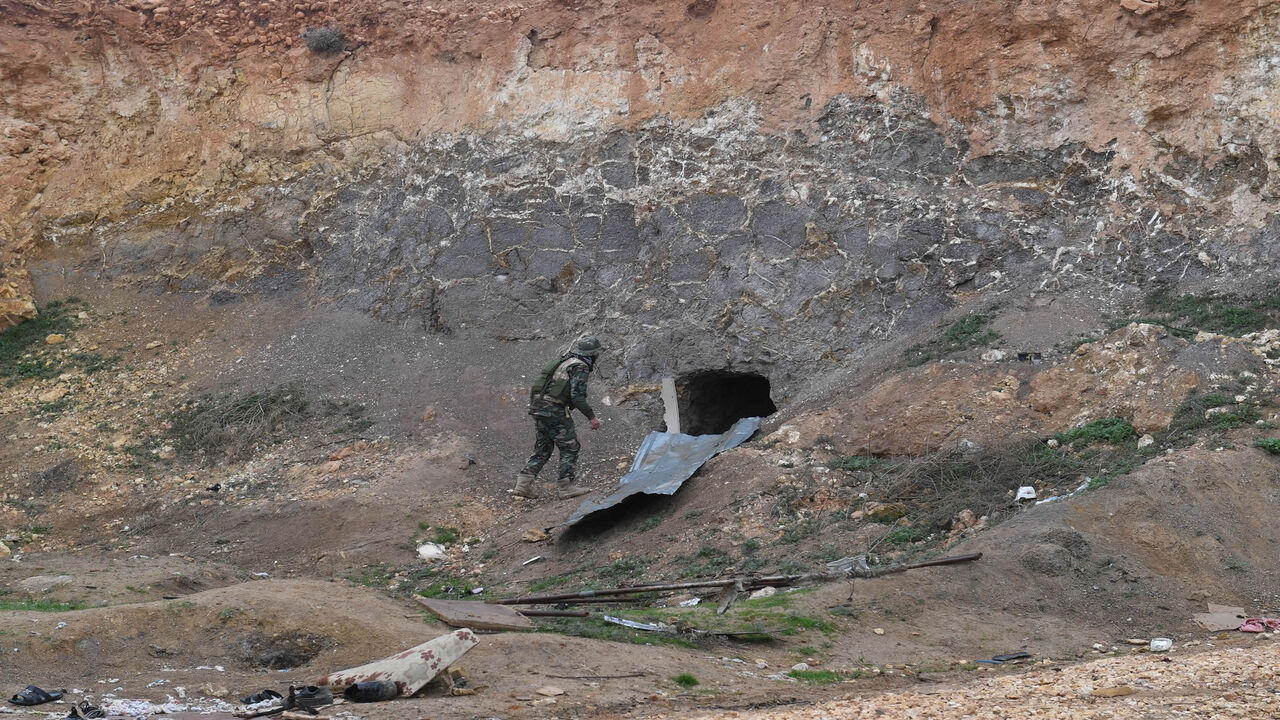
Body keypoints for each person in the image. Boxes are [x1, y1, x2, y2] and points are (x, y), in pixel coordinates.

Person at [512, 335, 604, 500]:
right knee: (570, 446)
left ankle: (522, 485)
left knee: (543, 447)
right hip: (553, 409)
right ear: (593, 354)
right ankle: (566, 487)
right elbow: (577, 397)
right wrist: (592, 417)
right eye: (597, 354)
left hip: (538, 406)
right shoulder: (580, 366)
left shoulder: (565, 361)